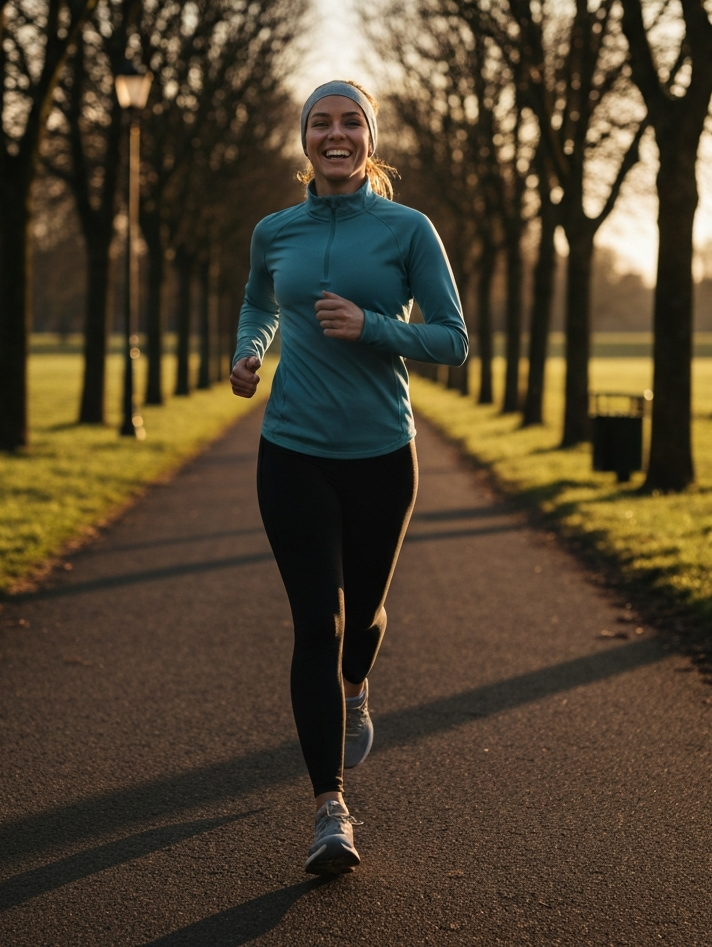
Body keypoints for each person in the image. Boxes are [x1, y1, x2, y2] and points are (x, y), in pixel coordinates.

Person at [230, 79, 468, 875]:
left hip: (379, 457)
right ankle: (331, 810)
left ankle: (358, 687)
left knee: (361, 619)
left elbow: (452, 339)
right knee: (316, 625)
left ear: (371, 138)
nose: (336, 134)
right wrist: (251, 349)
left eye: (350, 122)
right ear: (304, 138)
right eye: (321, 123)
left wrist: (373, 328)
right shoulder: (275, 231)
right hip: (292, 450)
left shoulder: (408, 229)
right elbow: (259, 301)